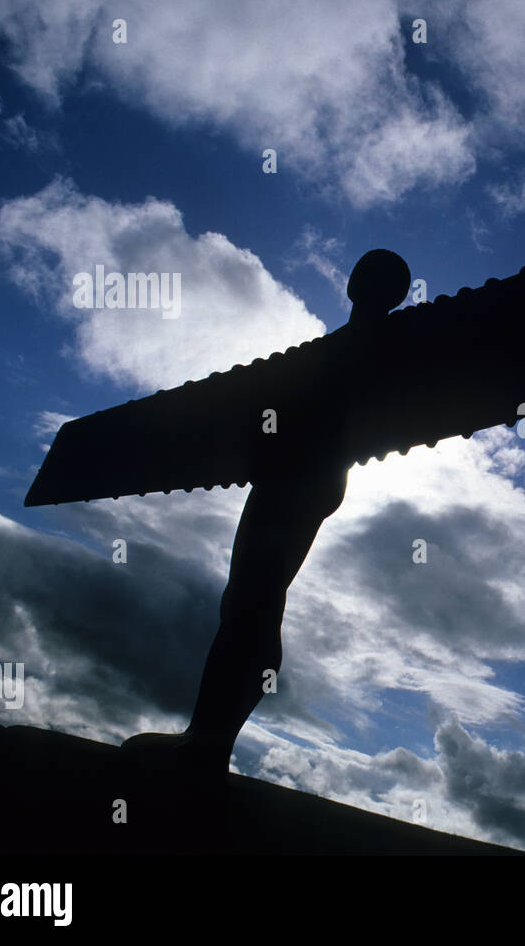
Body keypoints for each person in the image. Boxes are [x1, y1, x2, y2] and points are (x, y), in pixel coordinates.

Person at [119, 250, 411, 778]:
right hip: (296, 472)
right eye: (362, 271)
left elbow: (347, 409)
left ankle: (208, 743)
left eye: (369, 274)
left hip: (306, 474)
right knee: (248, 598)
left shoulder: (382, 346)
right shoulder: (337, 348)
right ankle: (209, 736)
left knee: (252, 597)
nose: (358, 280)